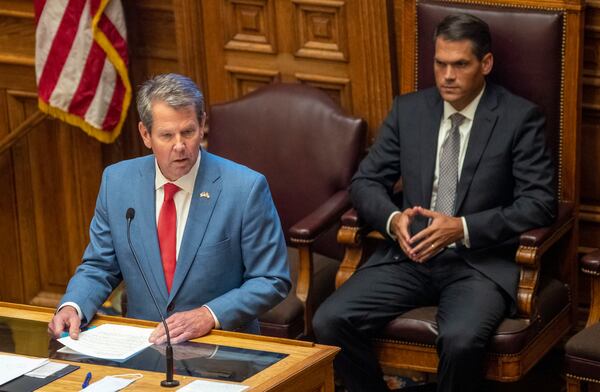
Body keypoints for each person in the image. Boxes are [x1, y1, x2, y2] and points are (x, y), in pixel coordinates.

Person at [313, 13, 556, 392]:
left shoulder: (518, 118)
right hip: (409, 256)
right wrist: (393, 221)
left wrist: (461, 228)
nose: (447, 76)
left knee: (460, 340)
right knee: (330, 320)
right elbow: (366, 181)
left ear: (485, 64)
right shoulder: (410, 111)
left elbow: (539, 204)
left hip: (477, 265)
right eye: (440, 64)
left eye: (460, 65)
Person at [48, 73, 291, 344]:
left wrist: (209, 315)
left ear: (202, 125)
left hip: (220, 346)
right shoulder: (117, 182)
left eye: (188, 132)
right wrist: (74, 305)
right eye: (166, 135)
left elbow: (271, 279)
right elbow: (100, 265)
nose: (180, 146)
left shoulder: (245, 188)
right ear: (145, 134)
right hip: (142, 346)